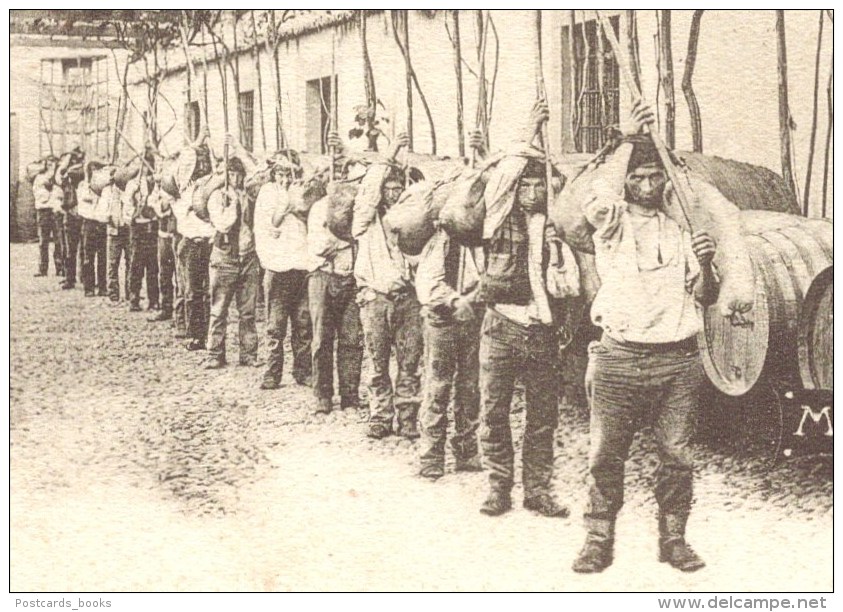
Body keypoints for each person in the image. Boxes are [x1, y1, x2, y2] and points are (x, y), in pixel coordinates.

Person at [571, 102, 717, 574]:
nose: (649, 186)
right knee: (605, 455)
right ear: (628, 182)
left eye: (656, 177)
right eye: (640, 178)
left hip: (678, 362)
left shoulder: (682, 230)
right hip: (619, 358)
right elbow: (598, 198)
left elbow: (705, 295)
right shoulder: (610, 226)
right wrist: (629, 139)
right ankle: (598, 538)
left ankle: (673, 538)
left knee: (677, 455)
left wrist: (708, 263)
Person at [474, 100, 571, 518]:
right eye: (525, 186)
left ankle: (538, 489)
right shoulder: (497, 216)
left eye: (539, 186)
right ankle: (498, 487)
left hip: (542, 333)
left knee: (542, 416)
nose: (532, 192)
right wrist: (530, 129)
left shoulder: (555, 226)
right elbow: (507, 171)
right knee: (494, 411)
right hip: (502, 325)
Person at [352, 133, 425, 440]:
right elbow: (367, 191)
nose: (394, 194)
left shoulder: (411, 223)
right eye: (389, 188)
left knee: (410, 362)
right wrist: (390, 153)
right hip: (376, 299)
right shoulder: (365, 221)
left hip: (407, 299)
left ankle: (408, 417)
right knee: (378, 363)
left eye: (398, 188)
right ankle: (381, 416)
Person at [415, 225, 484, 479]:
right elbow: (427, 284)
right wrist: (455, 301)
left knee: (470, 386)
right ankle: (431, 455)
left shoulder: (481, 238)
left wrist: (475, 298)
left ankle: (466, 450)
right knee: (438, 386)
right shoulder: (441, 240)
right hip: (442, 321)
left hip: (473, 319)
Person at [306, 158, 363, 415]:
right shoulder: (321, 208)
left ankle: (350, 394)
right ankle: (323, 394)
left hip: (350, 278)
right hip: (323, 277)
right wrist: (346, 240)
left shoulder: (361, 211)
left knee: (352, 339)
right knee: (322, 338)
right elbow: (320, 247)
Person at [202, 137, 261, 369]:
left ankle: (249, 354)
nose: (236, 178)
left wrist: (239, 149)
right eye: (232, 174)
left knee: (247, 311)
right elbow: (224, 225)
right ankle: (215, 354)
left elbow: (258, 174)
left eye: (239, 174)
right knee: (219, 309)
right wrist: (233, 206)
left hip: (247, 257)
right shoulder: (219, 197)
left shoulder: (248, 194)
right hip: (225, 258)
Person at [254, 156, 312, 389]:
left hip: (300, 265)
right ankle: (272, 372)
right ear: (273, 174)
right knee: (275, 326)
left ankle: (303, 370)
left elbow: (306, 215)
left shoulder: (298, 190)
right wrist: (287, 206)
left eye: (288, 174)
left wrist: (297, 206)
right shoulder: (268, 193)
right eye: (280, 174)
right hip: (279, 268)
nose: (285, 178)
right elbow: (272, 223)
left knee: (303, 323)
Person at [172, 136, 215, 351]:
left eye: (206, 162)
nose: (203, 167)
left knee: (210, 292)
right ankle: (195, 334)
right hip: (191, 244)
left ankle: (211, 336)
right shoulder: (187, 189)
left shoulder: (214, 187)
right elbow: (181, 212)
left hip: (210, 244)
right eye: (200, 163)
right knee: (192, 292)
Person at [124, 165, 160, 312]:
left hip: (151, 227)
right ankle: (134, 298)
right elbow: (127, 206)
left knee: (153, 266)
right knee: (136, 265)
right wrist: (134, 197)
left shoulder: (155, 183)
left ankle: (154, 300)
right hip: (137, 228)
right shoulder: (132, 184)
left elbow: (157, 203)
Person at [148, 160, 179, 322]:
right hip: (164, 234)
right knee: (165, 273)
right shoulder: (159, 186)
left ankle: (181, 315)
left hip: (178, 234)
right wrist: (161, 205)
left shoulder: (179, 184)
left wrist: (169, 203)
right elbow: (152, 201)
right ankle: (166, 307)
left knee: (180, 276)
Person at [77, 161, 109, 297]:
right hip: (89, 223)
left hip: (101, 223)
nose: (95, 172)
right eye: (93, 170)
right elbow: (85, 200)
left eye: (98, 169)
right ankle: (89, 287)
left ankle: (102, 287)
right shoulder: (83, 186)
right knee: (88, 257)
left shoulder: (105, 187)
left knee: (102, 257)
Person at [56, 150, 85, 290]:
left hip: (80, 216)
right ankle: (70, 278)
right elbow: (60, 172)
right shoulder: (66, 180)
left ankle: (82, 277)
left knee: (81, 249)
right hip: (71, 216)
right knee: (70, 250)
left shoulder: (83, 178)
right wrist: (69, 156)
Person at [32, 156, 60, 277]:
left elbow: (60, 195)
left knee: (59, 241)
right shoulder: (39, 178)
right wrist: (49, 189)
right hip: (43, 212)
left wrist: (53, 186)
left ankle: (60, 267)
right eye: (48, 164)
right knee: (43, 241)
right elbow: (40, 197)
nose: (50, 167)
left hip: (55, 212)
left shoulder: (57, 178)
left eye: (53, 164)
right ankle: (43, 268)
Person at [105, 177, 131, 302]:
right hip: (114, 231)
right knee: (113, 263)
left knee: (130, 262)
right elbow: (102, 210)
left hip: (127, 230)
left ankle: (130, 292)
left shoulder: (130, 190)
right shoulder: (108, 192)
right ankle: (113, 293)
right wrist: (108, 218)